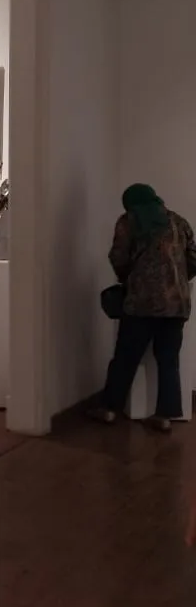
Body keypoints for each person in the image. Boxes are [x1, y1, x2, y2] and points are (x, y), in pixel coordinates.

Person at [91, 184, 196, 431]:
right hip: (176, 304)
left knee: (125, 357)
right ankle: (165, 416)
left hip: (141, 303)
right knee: (168, 360)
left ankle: (109, 409)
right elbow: (193, 259)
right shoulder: (178, 222)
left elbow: (118, 257)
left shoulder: (129, 222)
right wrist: (177, 280)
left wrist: (129, 278)